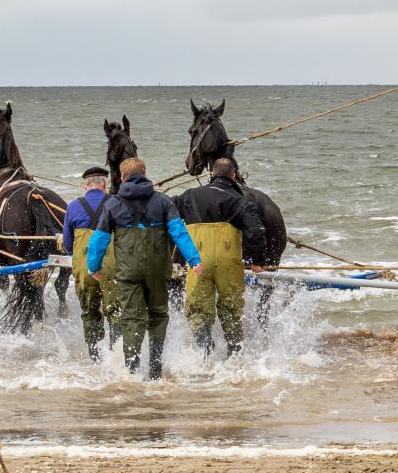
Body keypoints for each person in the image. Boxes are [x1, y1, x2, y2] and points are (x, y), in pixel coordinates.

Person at [86, 157, 202, 379]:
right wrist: (194, 260)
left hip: (127, 273)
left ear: (122, 177)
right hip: (158, 271)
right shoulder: (163, 201)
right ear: (145, 173)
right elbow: (179, 233)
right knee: (158, 314)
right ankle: (156, 370)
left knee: (131, 318)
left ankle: (131, 370)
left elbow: (99, 239)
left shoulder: (111, 204)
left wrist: (94, 266)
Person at [175, 157, 266, 356]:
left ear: (211, 174)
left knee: (197, 310)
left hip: (197, 260)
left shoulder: (189, 196)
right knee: (232, 310)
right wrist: (256, 260)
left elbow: (168, 212)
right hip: (229, 261)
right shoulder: (240, 200)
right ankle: (234, 356)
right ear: (233, 176)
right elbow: (257, 230)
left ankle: (206, 354)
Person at [62, 166, 118, 360]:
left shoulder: (73, 206)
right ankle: (116, 356)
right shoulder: (116, 202)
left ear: (85, 186)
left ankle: (95, 357)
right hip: (112, 268)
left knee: (89, 312)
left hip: (85, 268)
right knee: (115, 312)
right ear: (105, 185)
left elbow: (68, 243)